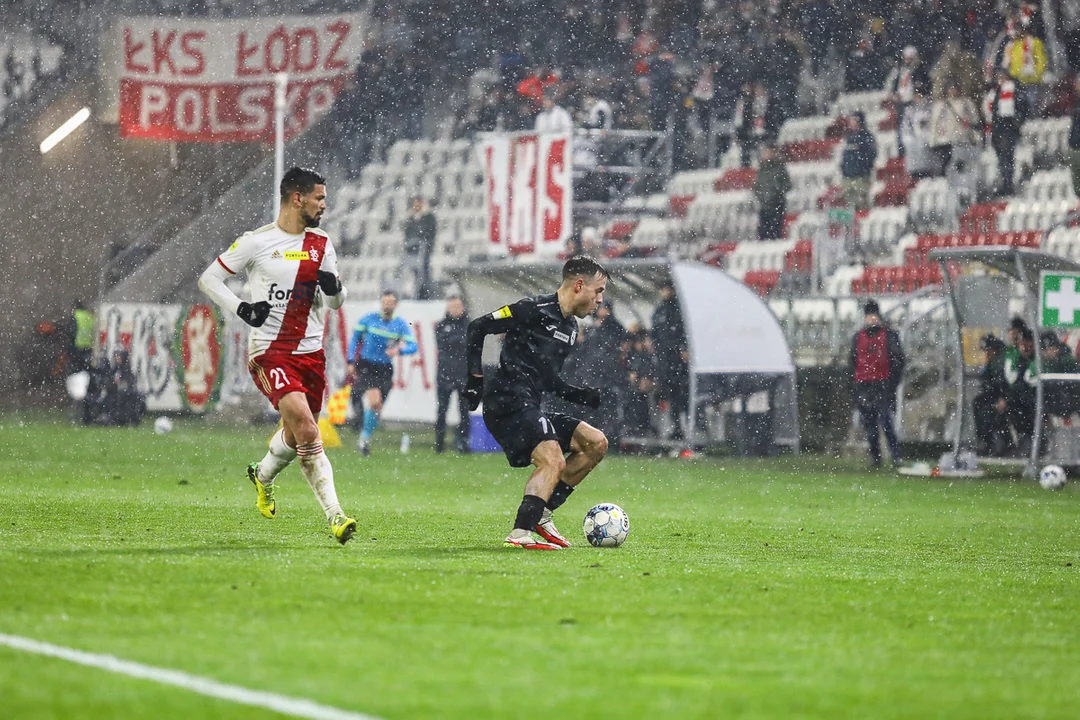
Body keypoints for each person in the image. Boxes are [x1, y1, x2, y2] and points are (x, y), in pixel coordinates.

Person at [198, 167, 357, 544]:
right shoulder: (256, 243)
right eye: (319, 198)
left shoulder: (322, 243)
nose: (324, 205)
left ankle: (263, 474)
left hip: (311, 354)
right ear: (296, 198)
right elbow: (209, 279)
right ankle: (336, 517)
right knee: (306, 427)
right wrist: (242, 309)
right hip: (271, 352)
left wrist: (336, 290)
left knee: (296, 432)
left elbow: (335, 302)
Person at [464, 256, 609, 550]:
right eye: (599, 291)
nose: (600, 299)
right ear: (579, 285)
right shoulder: (532, 309)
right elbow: (477, 327)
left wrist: (579, 394)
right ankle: (520, 534)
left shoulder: (569, 330)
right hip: (506, 401)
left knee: (595, 443)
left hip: (529, 403)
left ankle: (541, 513)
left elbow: (547, 379)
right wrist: (475, 379)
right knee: (552, 459)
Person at [347, 290, 417, 456]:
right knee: (374, 400)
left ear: (396, 305)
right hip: (367, 366)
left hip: (385, 369)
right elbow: (355, 338)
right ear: (381, 302)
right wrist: (350, 360)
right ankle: (363, 436)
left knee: (378, 406)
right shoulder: (369, 319)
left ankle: (364, 437)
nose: (387, 305)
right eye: (384, 301)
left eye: (391, 302)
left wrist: (399, 351)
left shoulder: (399, 324)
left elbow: (413, 346)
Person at [849, 300, 905, 469]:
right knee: (870, 424)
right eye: (869, 316)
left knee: (885, 421)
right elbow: (852, 362)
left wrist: (892, 383)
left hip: (882, 384)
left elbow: (898, 360)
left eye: (873, 316)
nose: (871, 319)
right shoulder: (858, 337)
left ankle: (895, 456)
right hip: (864, 385)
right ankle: (876, 457)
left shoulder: (888, 335)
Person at [650, 281, 689, 440]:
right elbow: (655, 332)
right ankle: (675, 428)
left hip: (676, 360)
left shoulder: (678, 309)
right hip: (664, 360)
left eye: (666, 289)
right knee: (669, 395)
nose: (664, 292)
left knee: (681, 394)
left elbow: (684, 332)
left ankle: (686, 428)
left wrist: (683, 348)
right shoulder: (660, 310)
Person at [434, 295, 470, 454]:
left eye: (458, 306)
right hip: (445, 373)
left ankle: (462, 443)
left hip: (463, 374)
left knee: (464, 411)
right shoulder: (441, 325)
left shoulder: (469, 324)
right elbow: (443, 343)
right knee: (442, 410)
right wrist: (457, 339)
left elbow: (469, 343)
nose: (456, 309)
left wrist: (455, 340)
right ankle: (439, 443)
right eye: (452, 306)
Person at [986, 67, 1026, 196]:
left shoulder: (1014, 89)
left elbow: (1023, 108)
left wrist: (1016, 121)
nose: (1000, 78)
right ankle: (1005, 183)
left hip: (1007, 130)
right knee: (1001, 158)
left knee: (1007, 157)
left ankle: (1008, 184)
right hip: (997, 130)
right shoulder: (995, 91)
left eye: (1002, 75)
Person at [973, 334, 1012, 456]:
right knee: (979, 403)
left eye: (988, 351)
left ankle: (996, 444)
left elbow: (1004, 384)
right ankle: (985, 442)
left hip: (1007, 398)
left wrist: (1004, 398)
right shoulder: (992, 363)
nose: (986, 354)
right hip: (995, 397)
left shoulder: (1001, 361)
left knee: (989, 411)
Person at [753, 144, 791, 240]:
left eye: (769, 152)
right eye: (765, 152)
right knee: (763, 233)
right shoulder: (761, 169)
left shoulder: (780, 167)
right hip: (764, 206)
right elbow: (756, 186)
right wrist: (761, 197)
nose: (767, 154)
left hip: (777, 204)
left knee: (775, 232)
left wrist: (777, 190)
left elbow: (787, 185)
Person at [840, 112, 877, 211]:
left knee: (862, 204)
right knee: (849, 205)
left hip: (860, 177)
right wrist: (844, 169)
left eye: (853, 120)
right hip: (848, 177)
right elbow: (845, 156)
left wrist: (863, 169)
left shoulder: (866, 137)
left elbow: (871, 155)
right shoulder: (849, 137)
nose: (851, 123)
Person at [401, 196, 436, 299]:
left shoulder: (428, 217)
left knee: (424, 273)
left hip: (424, 250)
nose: (417, 206)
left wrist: (426, 244)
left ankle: (425, 294)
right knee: (413, 273)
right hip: (412, 251)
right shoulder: (411, 218)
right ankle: (414, 293)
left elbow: (431, 233)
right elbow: (407, 233)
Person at [68, 300, 95, 374]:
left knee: (77, 367)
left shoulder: (76, 315)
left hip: (77, 344)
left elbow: (72, 331)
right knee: (86, 366)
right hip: (87, 345)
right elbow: (92, 329)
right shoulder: (88, 316)